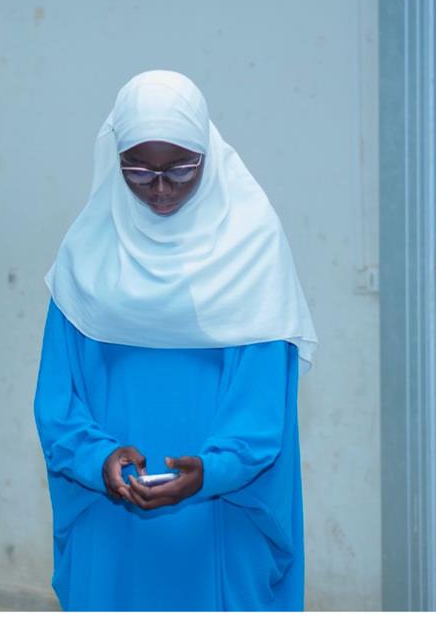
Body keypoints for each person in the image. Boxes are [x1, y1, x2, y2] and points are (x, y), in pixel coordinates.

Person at [33, 70, 318, 611]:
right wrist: (98, 459)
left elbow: (263, 415)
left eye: (181, 170)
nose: (160, 189)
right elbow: (57, 400)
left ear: (208, 155)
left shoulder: (252, 251)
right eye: (137, 172)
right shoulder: (86, 257)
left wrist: (209, 472)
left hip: (218, 520)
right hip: (110, 516)